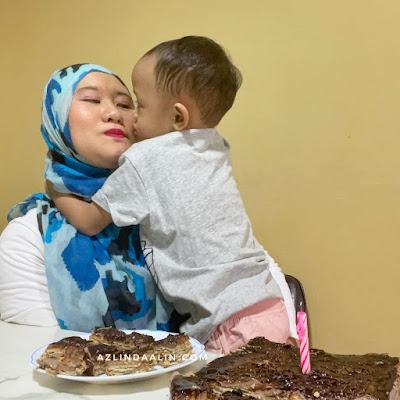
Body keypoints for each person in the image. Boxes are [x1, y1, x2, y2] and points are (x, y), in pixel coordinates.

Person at [48, 37, 298, 354]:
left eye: (138, 104)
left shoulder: (145, 162)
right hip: (269, 306)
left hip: (228, 324)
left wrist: (55, 188)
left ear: (178, 118)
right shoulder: (214, 146)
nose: (131, 117)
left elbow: (88, 221)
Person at [0, 63, 174, 332]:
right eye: (92, 100)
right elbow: (39, 353)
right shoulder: (28, 237)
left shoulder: (170, 208)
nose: (114, 113)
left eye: (125, 104)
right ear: (56, 118)